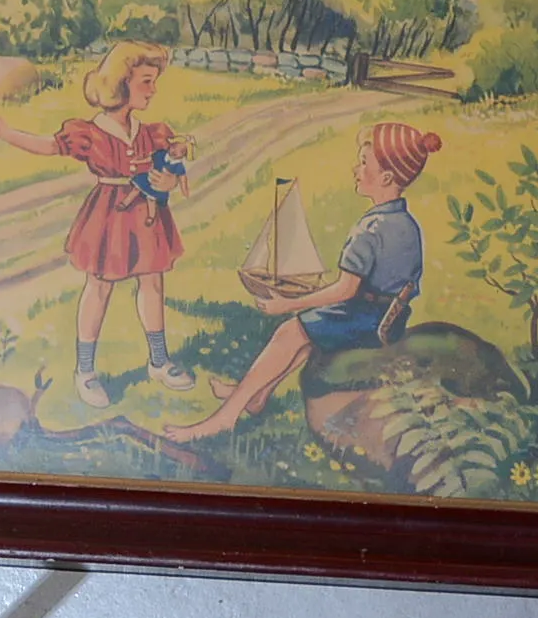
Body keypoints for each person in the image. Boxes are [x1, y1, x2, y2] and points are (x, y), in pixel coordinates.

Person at [164, 121, 439, 443]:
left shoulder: (371, 229)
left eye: (364, 163)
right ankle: (256, 396)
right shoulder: (406, 223)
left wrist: (288, 304)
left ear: (387, 178)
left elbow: (346, 289)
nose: (356, 169)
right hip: (389, 319)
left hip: (367, 320)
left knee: (290, 331)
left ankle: (225, 417)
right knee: (307, 335)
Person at [0, 41, 196, 408]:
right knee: (99, 287)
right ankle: (85, 370)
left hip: (147, 215)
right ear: (122, 83)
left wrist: (171, 179)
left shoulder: (151, 132)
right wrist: (6, 132)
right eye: (146, 81)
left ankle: (159, 361)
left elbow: (170, 166)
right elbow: (49, 146)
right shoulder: (90, 133)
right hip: (109, 215)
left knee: (153, 282)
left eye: (154, 81)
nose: (153, 90)